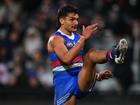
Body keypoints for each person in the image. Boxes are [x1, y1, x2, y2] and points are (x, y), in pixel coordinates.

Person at [47, 5, 128, 105]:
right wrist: (83, 39)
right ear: (62, 20)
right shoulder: (55, 39)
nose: (76, 22)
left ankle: (115, 54)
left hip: (79, 79)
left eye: (77, 19)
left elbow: (80, 64)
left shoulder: (77, 37)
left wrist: (96, 76)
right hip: (64, 81)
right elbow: (66, 59)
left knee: (90, 54)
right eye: (72, 19)